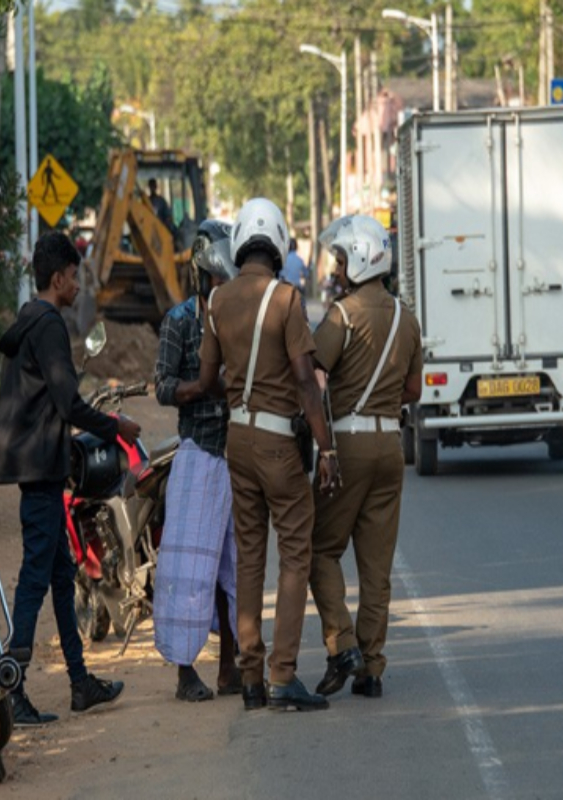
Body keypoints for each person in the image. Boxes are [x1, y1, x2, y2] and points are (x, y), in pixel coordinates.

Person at [0, 231, 139, 727]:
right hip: (41, 471)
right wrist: (116, 427)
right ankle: (12, 690)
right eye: (73, 277)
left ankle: (79, 682)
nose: (77, 285)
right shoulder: (48, 327)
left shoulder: (28, 320)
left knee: (60, 576)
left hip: (37, 468)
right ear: (56, 278)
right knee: (34, 579)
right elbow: (69, 403)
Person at [196, 197, 340, 712]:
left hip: (237, 440)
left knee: (250, 554)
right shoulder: (286, 298)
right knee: (296, 551)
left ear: (239, 244)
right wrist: (326, 447)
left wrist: (243, 396)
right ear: (278, 244)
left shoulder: (217, 301)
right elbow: (305, 380)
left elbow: (208, 380)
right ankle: (283, 675)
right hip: (280, 443)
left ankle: (251, 678)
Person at [308, 215, 422, 700]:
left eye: (339, 260)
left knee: (319, 549)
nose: (336, 269)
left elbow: (313, 378)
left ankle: (343, 643)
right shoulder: (406, 318)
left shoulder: (342, 315)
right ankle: (372, 670)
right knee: (377, 568)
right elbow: (413, 391)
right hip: (390, 448)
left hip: (348, 446)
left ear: (357, 259)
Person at [152, 220, 242, 703]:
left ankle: (229, 669)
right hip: (198, 454)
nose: (222, 284)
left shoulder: (236, 319)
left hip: (236, 456)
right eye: (216, 277)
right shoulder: (180, 321)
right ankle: (185, 672)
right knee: (188, 570)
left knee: (234, 569)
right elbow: (164, 386)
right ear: (202, 276)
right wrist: (203, 388)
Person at [279, 237, 310, 314]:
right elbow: (306, 274)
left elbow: (281, 274)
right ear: (296, 247)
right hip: (297, 287)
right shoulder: (299, 260)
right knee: (302, 307)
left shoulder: (284, 260)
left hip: (286, 286)